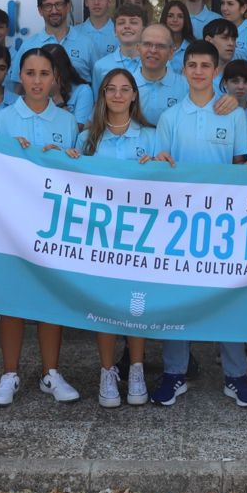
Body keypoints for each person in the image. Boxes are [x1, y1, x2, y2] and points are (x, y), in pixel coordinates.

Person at [149, 40, 247, 408]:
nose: (197, 72)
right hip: (179, 222)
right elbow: (161, 168)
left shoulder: (234, 114)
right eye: (191, 65)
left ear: (216, 72)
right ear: (183, 70)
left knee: (228, 298)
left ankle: (236, 376)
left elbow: (241, 166)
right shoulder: (170, 118)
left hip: (223, 220)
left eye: (205, 66)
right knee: (177, 299)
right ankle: (175, 373)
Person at [0, 47, 82, 406]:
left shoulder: (68, 123)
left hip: (53, 226)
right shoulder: (2, 119)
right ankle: (9, 373)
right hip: (13, 224)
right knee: (12, 301)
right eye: (30, 73)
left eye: (45, 74)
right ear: (19, 77)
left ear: (56, 78)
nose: (37, 81)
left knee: (49, 300)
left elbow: (76, 176)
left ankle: (50, 373)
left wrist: (74, 161)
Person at [77, 67, 157, 407]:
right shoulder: (87, 139)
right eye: (111, 89)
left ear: (135, 95)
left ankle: (136, 368)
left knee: (136, 304)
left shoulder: (151, 136)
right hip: (100, 237)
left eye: (125, 89)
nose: (118, 95)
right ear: (103, 95)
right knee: (106, 305)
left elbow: (168, 180)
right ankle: (107, 371)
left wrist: (161, 163)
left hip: (141, 235)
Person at [10, 0, 94, 84]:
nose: (54, 11)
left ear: (68, 7)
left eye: (58, 4)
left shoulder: (87, 44)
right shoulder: (28, 46)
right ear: (40, 10)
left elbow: (98, 83)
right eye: (48, 6)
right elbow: (17, 85)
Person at [135, 23, 189, 125]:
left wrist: (229, 98)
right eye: (147, 44)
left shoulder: (187, 87)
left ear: (171, 53)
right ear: (138, 48)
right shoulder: (125, 86)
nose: (153, 50)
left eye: (161, 46)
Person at [91, 3, 145, 92]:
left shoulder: (156, 63)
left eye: (133, 22)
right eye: (121, 22)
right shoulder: (100, 66)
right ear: (115, 31)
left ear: (143, 30)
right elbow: (98, 102)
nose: (127, 26)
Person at [45, 43, 95, 129]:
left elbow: (77, 130)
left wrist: (57, 98)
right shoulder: (37, 87)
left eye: (46, 71)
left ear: (61, 69)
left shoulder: (83, 91)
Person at [73, 0, 120, 66]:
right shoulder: (74, 33)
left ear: (109, 2)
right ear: (86, 2)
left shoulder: (119, 33)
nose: (96, 2)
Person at [160, 0, 196, 74]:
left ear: (185, 20)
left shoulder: (194, 47)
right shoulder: (156, 45)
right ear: (164, 18)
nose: (175, 20)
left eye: (180, 16)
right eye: (170, 16)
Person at [202, 18, 239, 87]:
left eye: (233, 39)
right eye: (225, 38)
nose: (231, 43)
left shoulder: (241, 75)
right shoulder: (195, 74)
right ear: (209, 40)